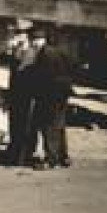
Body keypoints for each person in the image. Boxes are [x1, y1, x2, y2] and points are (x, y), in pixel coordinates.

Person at [28, 25, 73, 169]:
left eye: (33, 40)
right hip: (62, 93)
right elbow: (72, 67)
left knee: (48, 126)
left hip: (50, 95)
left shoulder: (44, 54)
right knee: (59, 126)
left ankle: (51, 160)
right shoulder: (58, 51)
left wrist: (35, 92)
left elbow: (43, 77)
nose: (32, 44)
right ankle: (63, 157)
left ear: (37, 40)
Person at [4, 20, 39, 167]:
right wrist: (9, 50)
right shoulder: (16, 49)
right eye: (16, 32)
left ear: (27, 35)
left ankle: (24, 155)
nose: (16, 35)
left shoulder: (33, 51)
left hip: (28, 94)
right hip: (15, 93)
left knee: (26, 125)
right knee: (15, 123)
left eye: (19, 33)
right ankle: (14, 151)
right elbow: (6, 63)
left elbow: (23, 69)